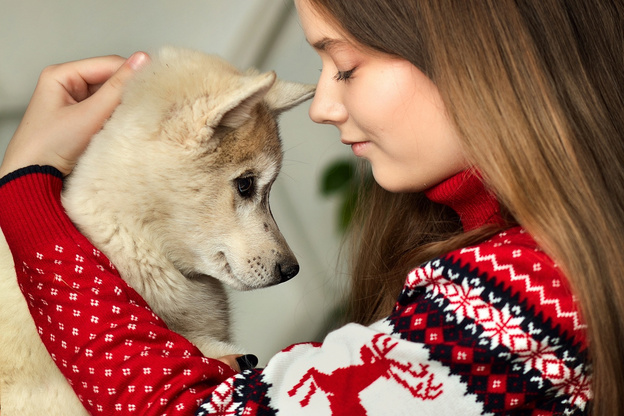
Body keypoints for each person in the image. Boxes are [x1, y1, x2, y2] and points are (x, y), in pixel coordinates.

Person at [1, 0, 622, 414]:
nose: (322, 105)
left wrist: (26, 190)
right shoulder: (533, 264)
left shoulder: (533, 296)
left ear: (480, 53)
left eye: (345, 66)